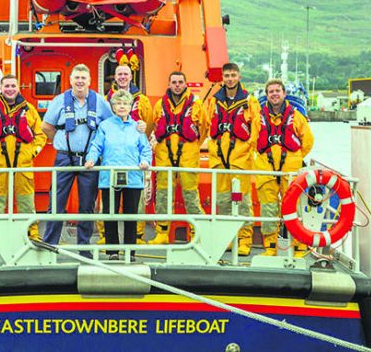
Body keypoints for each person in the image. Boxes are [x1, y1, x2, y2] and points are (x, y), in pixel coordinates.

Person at [41, 64, 113, 256]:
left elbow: (110, 125)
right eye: (77, 78)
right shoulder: (59, 101)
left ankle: (84, 248)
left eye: (83, 78)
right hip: (64, 157)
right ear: (71, 80)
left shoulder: (99, 101)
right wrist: (60, 140)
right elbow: (46, 126)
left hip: (89, 160)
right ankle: (50, 245)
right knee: (56, 202)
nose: (80, 81)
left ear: (89, 81)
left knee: (87, 205)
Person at [85, 89, 152, 260]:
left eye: (125, 104)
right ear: (113, 106)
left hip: (133, 178)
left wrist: (145, 162)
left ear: (130, 106)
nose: (122, 107)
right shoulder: (105, 126)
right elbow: (96, 146)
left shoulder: (137, 127)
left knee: (131, 215)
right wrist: (91, 159)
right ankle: (113, 251)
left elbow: (145, 149)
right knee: (110, 213)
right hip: (110, 177)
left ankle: (130, 252)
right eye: (118, 103)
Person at [0, 74, 46, 240]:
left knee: (26, 202)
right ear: (1, 88)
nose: (10, 89)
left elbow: (41, 134)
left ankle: (32, 233)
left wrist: (33, 151)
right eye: (7, 86)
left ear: (18, 88)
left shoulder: (29, 110)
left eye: (13, 86)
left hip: (23, 165)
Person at [255, 79, 314, 257]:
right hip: (266, 170)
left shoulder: (296, 116)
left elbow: (308, 141)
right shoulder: (258, 118)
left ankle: (299, 246)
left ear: (283, 93)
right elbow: (251, 140)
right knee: (268, 209)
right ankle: (270, 246)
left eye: (277, 91)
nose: (274, 94)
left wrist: (295, 158)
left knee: (293, 208)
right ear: (266, 95)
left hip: (290, 171)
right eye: (271, 91)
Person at [205, 63, 260, 256]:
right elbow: (207, 125)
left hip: (240, 161)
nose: (230, 79)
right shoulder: (214, 101)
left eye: (233, 75)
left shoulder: (249, 101)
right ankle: (229, 237)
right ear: (222, 77)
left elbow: (255, 131)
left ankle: (245, 239)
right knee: (224, 201)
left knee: (243, 201)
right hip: (219, 160)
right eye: (227, 75)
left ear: (239, 76)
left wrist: (244, 152)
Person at [149, 71, 207, 244]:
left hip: (188, 154)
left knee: (190, 195)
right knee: (163, 195)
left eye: (180, 82)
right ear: (169, 84)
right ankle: (162, 233)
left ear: (185, 84)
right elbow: (154, 124)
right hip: (164, 154)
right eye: (174, 82)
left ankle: (198, 232)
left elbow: (203, 128)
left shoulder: (196, 104)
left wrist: (193, 146)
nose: (177, 85)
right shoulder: (160, 104)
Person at [99, 63, 153, 243]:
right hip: (110, 165)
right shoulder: (104, 100)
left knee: (133, 209)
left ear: (131, 76)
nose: (122, 77)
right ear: (115, 77)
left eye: (125, 74)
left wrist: (141, 130)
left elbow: (149, 125)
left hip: (133, 166)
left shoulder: (142, 101)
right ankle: (107, 241)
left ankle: (135, 238)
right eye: (119, 74)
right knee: (108, 208)